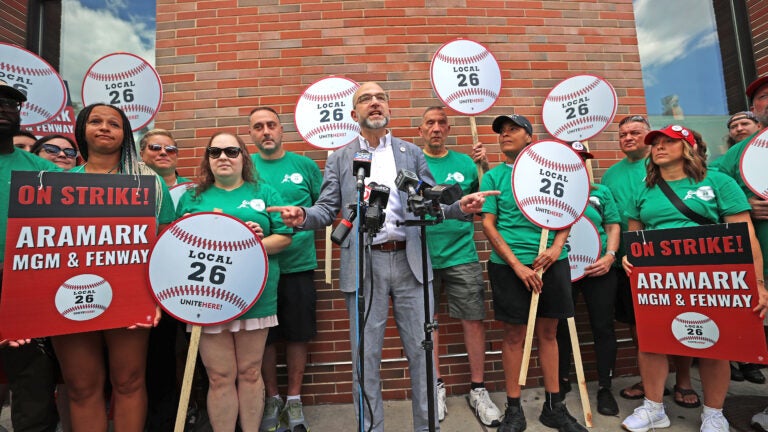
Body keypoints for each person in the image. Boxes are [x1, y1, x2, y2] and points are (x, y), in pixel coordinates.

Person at [267, 82, 497, 432]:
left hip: (411, 262)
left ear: (388, 108)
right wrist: (303, 217)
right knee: (365, 357)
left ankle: (426, 427)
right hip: (363, 265)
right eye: (365, 99)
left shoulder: (410, 153)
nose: (375, 103)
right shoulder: (341, 158)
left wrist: (458, 207)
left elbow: (431, 205)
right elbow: (328, 208)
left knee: (422, 354)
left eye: (381, 98)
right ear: (353, 113)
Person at [620, 124, 768, 432]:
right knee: (651, 343)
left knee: (715, 343)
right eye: (655, 143)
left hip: (712, 278)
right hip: (659, 280)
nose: (659, 147)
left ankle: (714, 412)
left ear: (688, 147)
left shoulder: (718, 181)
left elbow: (746, 236)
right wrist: (628, 257)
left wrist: (757, 283)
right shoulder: (643, 189)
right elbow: (635, 237)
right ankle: (653, 407)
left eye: (668, 142)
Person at [50, 103, 174, 432]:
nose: (105, 128)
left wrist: (156, 297)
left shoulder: (150, 184)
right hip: (69, 294)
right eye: (96, 121)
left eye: (114, 124)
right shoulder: (55, 184)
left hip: (130, 295)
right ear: (82, 130)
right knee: (81, 386)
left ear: (125, 135)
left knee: (129, 381)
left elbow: (164, 244)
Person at [176, 131, 293, 432]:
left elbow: (284, 238)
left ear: (243, 156)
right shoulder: (192, 197)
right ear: (208, 159)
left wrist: (254, 241)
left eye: (231, 151)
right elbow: (175, 246)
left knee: (251, 372)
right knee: (219, 376)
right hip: (206, 296)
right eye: (215, 152)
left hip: (255, 295)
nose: (223, 157)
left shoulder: (264, 192)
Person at [480, 114, 587, 432]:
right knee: (513, 337)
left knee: (549, 334)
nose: (505, 135)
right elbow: (488, 223)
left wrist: (557, 248)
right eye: (501, 131)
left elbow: (568, 208)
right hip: (509, 267)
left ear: (530, 137)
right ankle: (514, 409)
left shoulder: (553, 170)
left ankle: (554, 407)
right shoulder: (494, 177)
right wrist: (517, 265)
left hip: (551, 265)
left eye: (513, 129)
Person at [601, 115, 698, 408]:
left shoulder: (665, 167)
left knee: (683, 322)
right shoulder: (610, 175)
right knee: (639, 325)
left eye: (635, 133)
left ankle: (683, 380)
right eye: (622, 134)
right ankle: (650, 381)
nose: (628, 138)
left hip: (676, 265)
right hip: (628, 264)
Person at [416, 106, 501, 426]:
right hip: (421, 254)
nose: (436, 128)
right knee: (428, 324)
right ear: (421, 130)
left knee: (473, 319)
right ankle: (436, 386)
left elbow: (486, 204)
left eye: (441, 123)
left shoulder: (465, 162)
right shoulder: (413, 161)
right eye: (430, 123)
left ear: (449, 129)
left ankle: (478, 390)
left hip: (462, 254)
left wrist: (484, 165)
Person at [247, 107, 322, 432]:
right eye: (258, 127)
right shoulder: (245, 168)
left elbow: (325, 208)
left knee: (297, 336)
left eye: (271, 125)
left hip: (299, 267)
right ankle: (272, 398)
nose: (266, 131)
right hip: (258, 271)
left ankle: (294, 400)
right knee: (264, 338)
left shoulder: (304, 166)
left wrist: (303, 213)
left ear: (282, 130)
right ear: (251, 134)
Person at [0, 81, 62, 432]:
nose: (3, 107)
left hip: (26, 286)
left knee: (33, 384)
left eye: (11, 102)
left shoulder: (43, 171)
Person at [708, 74, 768, 430]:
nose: (766, 101)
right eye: (761, 97)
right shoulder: (743, 151)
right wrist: (744, 202)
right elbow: (708, 178)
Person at [555, 141, 621, 416]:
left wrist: (610, 256)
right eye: (573, 157)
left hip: (598, 268)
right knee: (559, 326)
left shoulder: (600, 191)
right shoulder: (552, 190)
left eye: (583, 158)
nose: (579, 162)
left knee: (603, 326)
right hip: (562, 268)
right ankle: (561, 379)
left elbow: (613, 224)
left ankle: (605, 386)